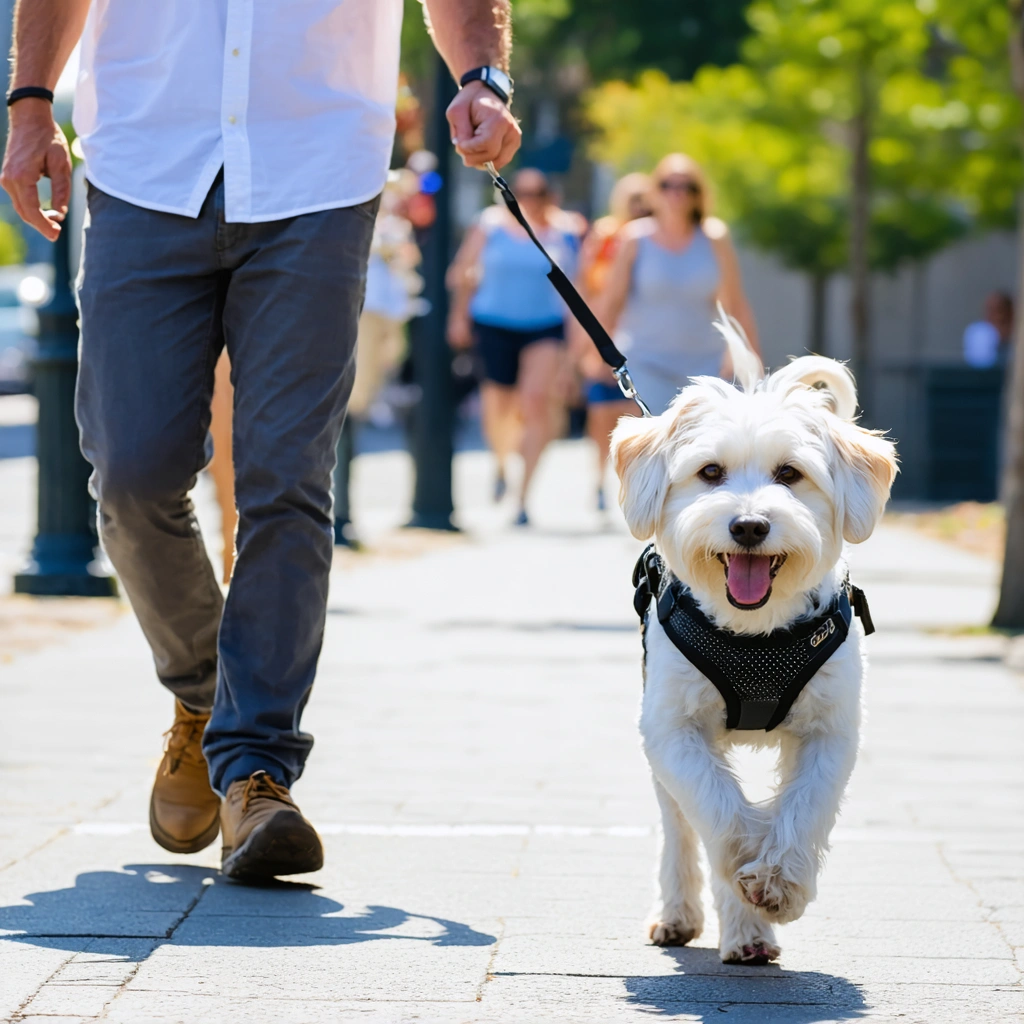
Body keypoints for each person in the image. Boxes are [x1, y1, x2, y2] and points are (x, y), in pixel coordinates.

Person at [1, 0, 520, 883]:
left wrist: (482, 77)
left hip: (316, 168)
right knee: (130, 473)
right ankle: (208, 695)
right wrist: (30, 104)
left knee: (287, 480)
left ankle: (255, 771)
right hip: (145, 158)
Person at [447, 168, 585, 526]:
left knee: (536, 403)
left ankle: (523, 498)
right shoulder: (489, 225)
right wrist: (459, 316)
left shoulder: (565, 231)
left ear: (548, 195)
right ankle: (501, 461)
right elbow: (462, 271)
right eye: (520, 192)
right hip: (493, 323)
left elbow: (577, 289)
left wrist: (575, 350)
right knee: (499, 407)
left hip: (545, 327)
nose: (528, 199)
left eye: (536, 192)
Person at [599, 153, 759, 415]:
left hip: (706, 368)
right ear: (654, 191)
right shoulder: (634, 238)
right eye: (667, 185)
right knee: (661, 441)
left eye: (687, 187)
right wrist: (600, 356)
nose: (677, 194)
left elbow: (736, 305)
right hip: (646, 363)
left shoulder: (715, 238)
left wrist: (752, 359)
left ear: (698, 194)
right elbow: (611, 302)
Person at [334, 173, 424, 548]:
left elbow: (408, 270)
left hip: (385, 319)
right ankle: (339, 514)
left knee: (357, 407)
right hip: (360, 318)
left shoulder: (395, 228)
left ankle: (342, 513)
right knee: (347, 408)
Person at [572, 172, 651, 511]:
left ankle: (635, 485)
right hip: (606, 331)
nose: (638, 208)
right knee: (602, 412)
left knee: (638, 412)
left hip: (644, 335)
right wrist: (587, 345)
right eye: (632, 201)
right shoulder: (607, 236)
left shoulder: (656, 240)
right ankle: (599, 478)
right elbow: (589, 287)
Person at [963, 291, 1014, 368]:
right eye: (990, 310)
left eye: (999, 310)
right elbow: (980, 363)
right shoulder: (979, 332)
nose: (994, 316)